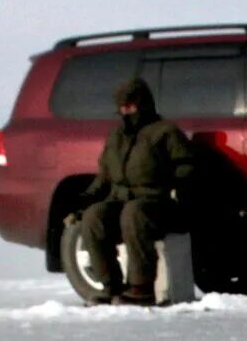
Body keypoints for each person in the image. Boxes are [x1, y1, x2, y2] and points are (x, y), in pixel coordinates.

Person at [66, 78, 196, 304]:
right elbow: (105, 176)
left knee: (134, 214)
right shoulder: (116, 137)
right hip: (122, 201)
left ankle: (141, 287)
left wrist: (175, 185)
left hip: (158, 204)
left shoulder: (165, 132)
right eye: (122, 107)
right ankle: (112, 286)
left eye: (131, 106)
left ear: (143, 104)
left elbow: (187, 166)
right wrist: (83, 202)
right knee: (94, 217)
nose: (126, 111)